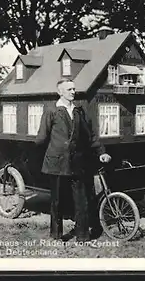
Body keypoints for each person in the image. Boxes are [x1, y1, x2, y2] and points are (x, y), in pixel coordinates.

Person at [35, 78, 112, 242]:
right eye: (69, 89)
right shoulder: (51, 111)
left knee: (81, 199)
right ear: (60, 92)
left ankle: (83, 236)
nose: (73, 92)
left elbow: (91, 136)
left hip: (78, 163)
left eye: (74, 89)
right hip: (57, 163)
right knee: (57, 201)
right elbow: (41, 139)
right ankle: (56, 235)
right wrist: (52, 153)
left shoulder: (80, 111)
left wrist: (101, 152)